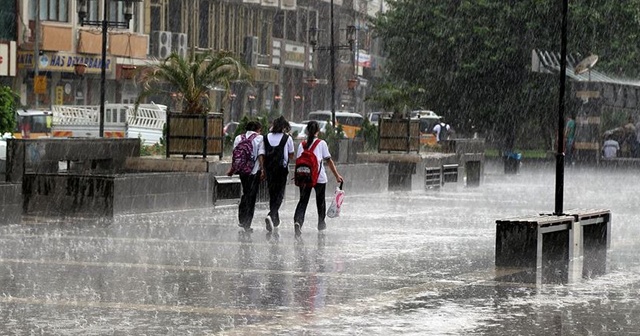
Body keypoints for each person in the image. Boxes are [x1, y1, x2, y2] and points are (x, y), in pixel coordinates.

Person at [293, 121, 343, 237]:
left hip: (304, 177)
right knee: (320, 201)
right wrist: (337, 175)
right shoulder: (322, 143)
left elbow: (299, 160)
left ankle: (298, 221)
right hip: (319, 178)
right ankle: (321, 223)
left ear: (307, 131)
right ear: (318, 131)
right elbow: (328, 160)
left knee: (303, 201)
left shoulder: (302, 144)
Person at [227, 121, 265, 232]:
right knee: (251, 196)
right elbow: (260, 155)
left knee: (246, 192)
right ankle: (247, 223)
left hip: (242, 171)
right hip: (253, 171)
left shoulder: (239, 138)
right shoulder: (259, 138)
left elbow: (235, 155)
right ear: (258, 129)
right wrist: (262, 170)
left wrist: (232, 169)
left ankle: (242, 218)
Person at [263, 116, 295, 232]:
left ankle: (275, 220)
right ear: (284, 127)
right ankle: (271, 215)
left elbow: (263, 153)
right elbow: (291, 155)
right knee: (280, 195)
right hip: (281, 169)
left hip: (269, 169)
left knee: (272, 194)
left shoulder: (265, 137)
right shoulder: (287, 139)